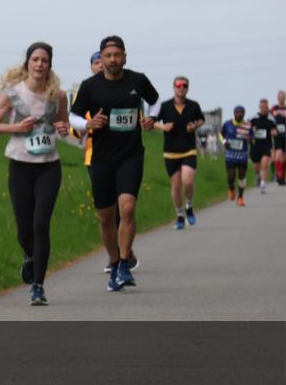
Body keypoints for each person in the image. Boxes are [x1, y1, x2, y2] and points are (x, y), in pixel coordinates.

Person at [69, 36, 159, 292]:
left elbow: (155, 100)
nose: (112, 60)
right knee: (105, 217)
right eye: (107, 56)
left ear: (125, 57)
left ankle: (123, 264)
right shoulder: (89, 87)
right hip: (102, 159)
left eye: (117, 55)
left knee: (127, 207)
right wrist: (88, 124)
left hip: (131, 155)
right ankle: (113, 259)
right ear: (101, 58)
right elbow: (74, 115)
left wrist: (151, 119)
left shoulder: (137, 80)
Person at [0, 42, 70, 306]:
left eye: (44, 60)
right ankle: (30, 257)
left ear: (49, 64)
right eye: (35, 59)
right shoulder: (13, 93)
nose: (39, 64)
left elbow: (64, 125)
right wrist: (18, 127)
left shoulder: (58, 95)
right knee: (24, 230)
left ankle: (38, 286)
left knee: (41, 224)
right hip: (20, 165)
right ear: (27, 63)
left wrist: (64, 128)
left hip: (49, 166)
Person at [69, 51, 140, 272]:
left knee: (124, 208)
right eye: (96, 62)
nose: (101, 65)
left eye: (104, 61)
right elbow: (76, 125)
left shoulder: (124, 86)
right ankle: (117, 255)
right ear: (91, 66)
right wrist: (85, 128)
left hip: (126, 154)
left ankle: (123, 256)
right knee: (109, 212)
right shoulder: (88, 89)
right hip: (95, 156)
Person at [155, 76, 205, 228]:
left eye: (184, 85)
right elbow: (152, 122)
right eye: (178, 85)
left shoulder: (193, 105)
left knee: (188, 181)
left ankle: (189, 206)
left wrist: (195, 125)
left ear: (187, 88)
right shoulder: (165, 106)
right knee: (176, 185)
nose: (181, 88)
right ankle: (179, 215)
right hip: (170, 152)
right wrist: (163, 127)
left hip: (189, 150)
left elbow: (201, 119)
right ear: (173, 87)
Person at [221, 106, 252, 206]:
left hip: (242, 156)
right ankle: (231, 188)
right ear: (234, 113)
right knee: (231, 177)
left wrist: (251, 140)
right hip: (230, 155)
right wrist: (224, 141)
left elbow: (252, 137)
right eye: (237, 112)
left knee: (241, 177)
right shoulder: (227, 124)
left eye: (241, 112)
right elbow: (221, 134)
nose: (239, 114)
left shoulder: (247, 125)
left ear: (244, 114)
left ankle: (240, 197)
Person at [249, 99, 279, 194]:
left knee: (265, 164)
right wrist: (251, 130)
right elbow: (247, 129)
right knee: (256, 166)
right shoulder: (253, 118)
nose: (264, 109)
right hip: (255, 145)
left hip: (267, 145)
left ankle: (263, 184)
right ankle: (258, 176)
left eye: (265, 107)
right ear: (259, 107)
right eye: (262, 107)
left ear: (268, 107)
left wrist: (274, 132)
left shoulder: (271, 119)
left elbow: (276, 131)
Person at [269, 91, 286, 185]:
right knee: (278, 153)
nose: (281, 98)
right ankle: (279, 175)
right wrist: (271, 130)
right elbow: (268, 119)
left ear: (285, 98)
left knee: (285, 157)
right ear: (277, 98)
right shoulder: (273, 108)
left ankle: (283, 175)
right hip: (277, 134)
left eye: (283, 97)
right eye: (279, 97)